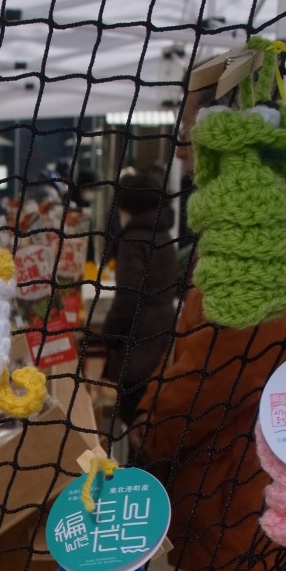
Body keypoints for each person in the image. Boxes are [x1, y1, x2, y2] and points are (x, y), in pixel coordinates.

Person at [131, 81, 286, 571]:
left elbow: (206, 382)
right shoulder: (283, 227)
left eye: (188, 133)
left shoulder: (248, 251)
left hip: (241, 499)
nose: (182, 150)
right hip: (261, 492)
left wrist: (147, 435)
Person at [102, 166, 179, 427]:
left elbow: (127, 298)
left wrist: (108, 335)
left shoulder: (133, 240)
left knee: (133, 420)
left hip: (138, 343)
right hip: (163, 335)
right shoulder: (163, 235)